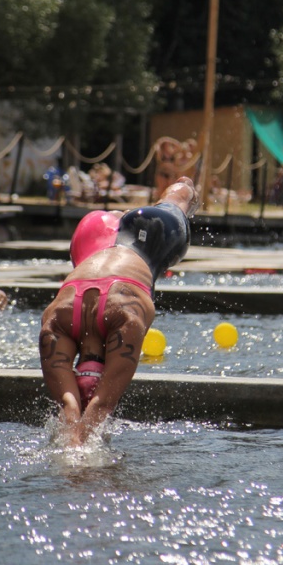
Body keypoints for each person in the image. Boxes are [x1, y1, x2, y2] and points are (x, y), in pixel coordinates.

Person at [39, 176, 199, 447]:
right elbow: (72, 408)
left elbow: (98, 406)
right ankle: (179, 190)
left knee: (180, 198)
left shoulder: (126, 321)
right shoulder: (57, 322)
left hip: (149, 236)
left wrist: (75, 455)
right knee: (178, 195)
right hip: (91, 239)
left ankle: (184, 190)